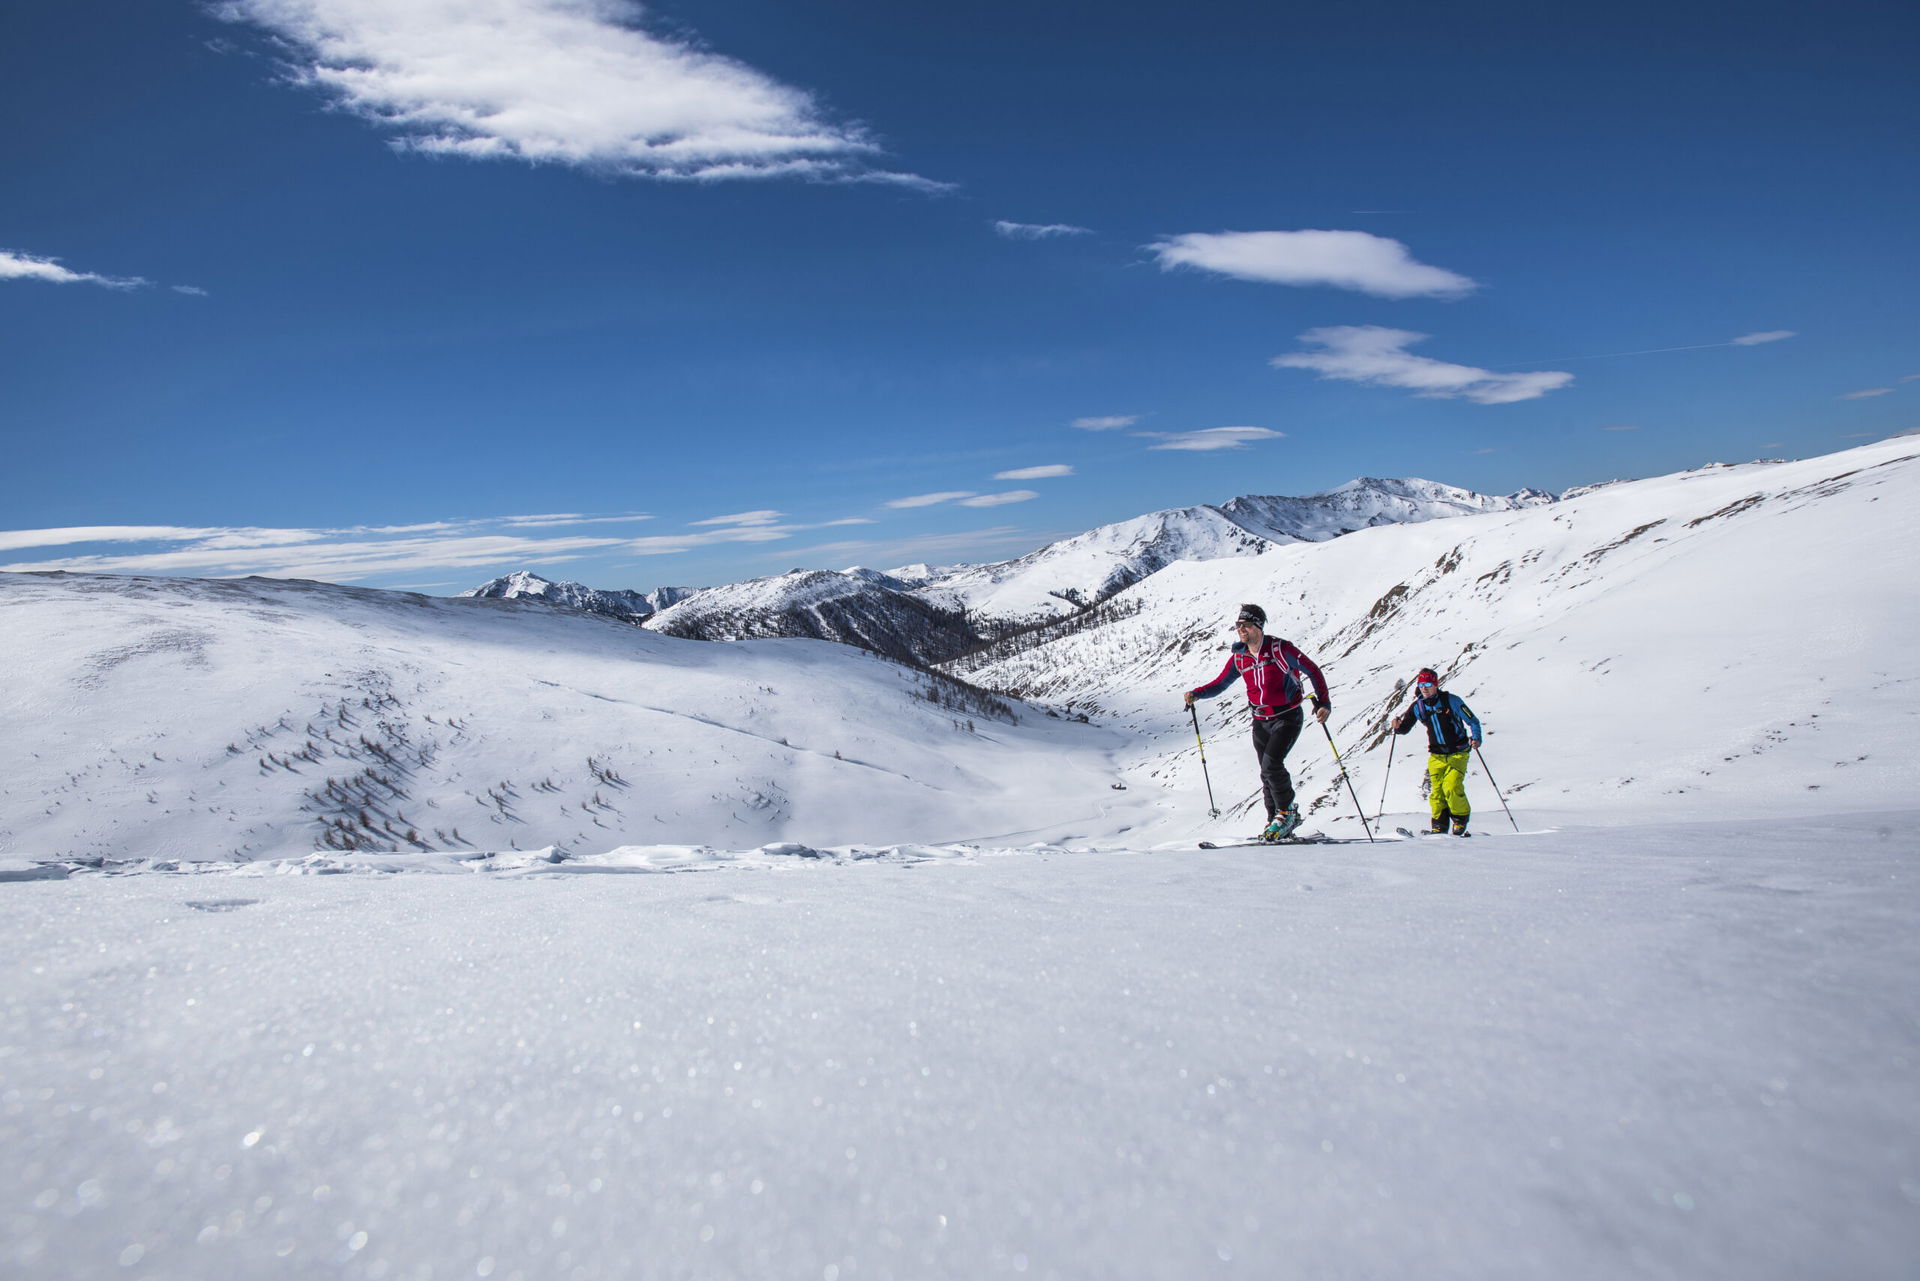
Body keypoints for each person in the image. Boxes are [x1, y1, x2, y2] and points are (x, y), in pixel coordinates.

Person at [1184, 604, 1330, 841]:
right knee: (1266, 772)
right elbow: (1221, 683)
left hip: (1287, 716)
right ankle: (1275, 820)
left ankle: (1286, 814)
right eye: (1238, 625)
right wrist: (1197, 693)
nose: (1241, 630)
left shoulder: (1281, 650)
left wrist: (1323, 703)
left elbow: (1313, 670)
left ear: (1258, 627)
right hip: (1260, 720)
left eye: (1246, 625)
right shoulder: (1240, 657)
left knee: (1272, 765)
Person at [1392, 668, 1483, 836]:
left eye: (1428, 684)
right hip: (1436, 755)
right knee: (1437, 793)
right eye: (1421, 685)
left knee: (1452, 786)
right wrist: (1397, 728)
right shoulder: (1417, 707)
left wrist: (1476, 738)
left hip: (1458, 752)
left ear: (1436, 684)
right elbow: (1405, 728)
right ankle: (1439, 826)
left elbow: (1472, 720)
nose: (1424, 688)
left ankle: (1460, 820)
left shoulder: (1451, 701)